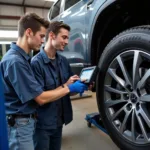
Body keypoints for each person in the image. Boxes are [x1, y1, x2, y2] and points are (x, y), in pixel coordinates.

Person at [0, 13, 88, 150]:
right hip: (23, 123)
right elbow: (40, 98)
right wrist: (68, 87)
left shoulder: (24, 59)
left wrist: (76, 86)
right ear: (29, 32)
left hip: (40, 121)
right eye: (41, 36)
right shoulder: (17, 62)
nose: (42, 40)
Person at [31, 21, 84, 150]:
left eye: (68, 38)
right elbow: (41, 99)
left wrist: (79, 86)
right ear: (52, 36)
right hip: (42, 125)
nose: (67, 42)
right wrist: (68, 87)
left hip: (59, 122)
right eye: (64, 37)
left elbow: (69, 91)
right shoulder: (36, 63)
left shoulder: (63, 61)